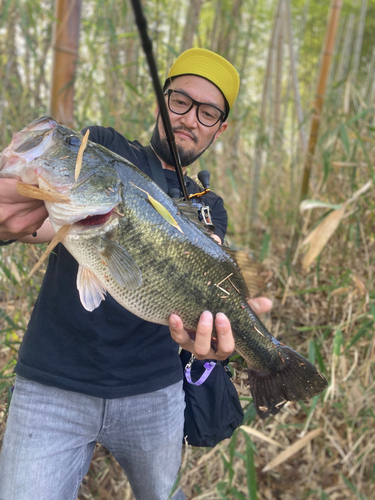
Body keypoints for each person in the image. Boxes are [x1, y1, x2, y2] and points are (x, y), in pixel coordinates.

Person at [0, 48, 272, 500]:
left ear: (220, 128)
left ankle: (270, 360)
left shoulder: (209, 210)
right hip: (51, 386)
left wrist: (213, 347)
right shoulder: (102, 148)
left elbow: (208, 290)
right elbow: (32, 222)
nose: (189, 119)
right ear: (161, 102)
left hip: (155, 393)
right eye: (180, 101)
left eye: (207, 113)